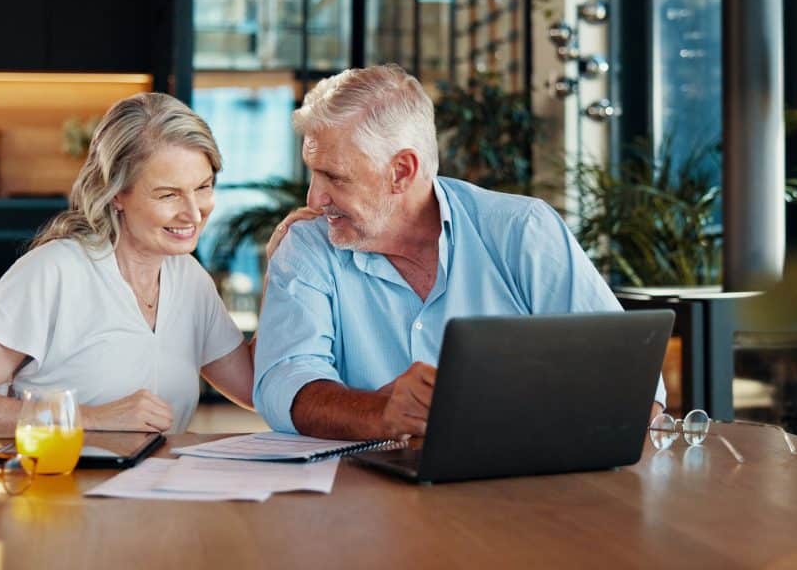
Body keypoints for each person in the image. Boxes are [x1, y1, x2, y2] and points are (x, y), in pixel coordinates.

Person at [253, 64, 667, 440]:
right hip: (366, 494)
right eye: (313, 172)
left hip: (521, 490)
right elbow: (283, 382)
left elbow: (631, 381)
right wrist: (380, 413)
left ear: (402, 171)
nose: (314, 197)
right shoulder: (308, 245)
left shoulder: (521, 231)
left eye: (334, 177)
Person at [0, 93, 284, 437]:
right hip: (54, 500)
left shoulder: (189, 280)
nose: (193, 212)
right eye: (168, 194)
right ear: (117, 193)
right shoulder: (54, 271)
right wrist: (90, 419)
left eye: (203, 187)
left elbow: (256, 387)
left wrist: (282, 272)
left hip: (161, 499)